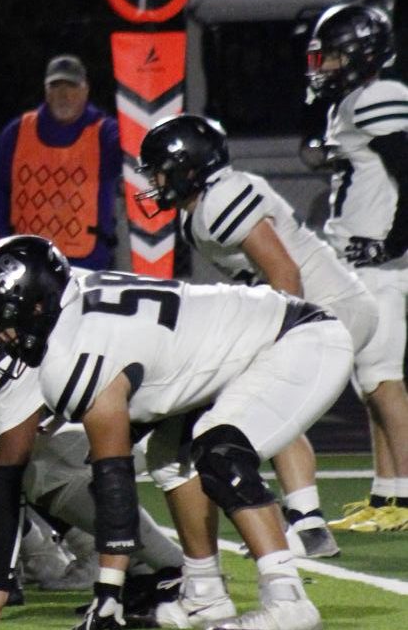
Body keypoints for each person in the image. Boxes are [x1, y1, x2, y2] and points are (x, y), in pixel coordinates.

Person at [0, 236, 354, 630]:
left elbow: (114, 477)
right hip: (258, 341)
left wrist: (108, 591)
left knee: (219, 451)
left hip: (298, 339)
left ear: (37, 304)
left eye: (4, 321)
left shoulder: (71, 353)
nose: (3, 335)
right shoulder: (77, 306)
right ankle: (204, 593)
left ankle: (287, 598)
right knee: (171, 459)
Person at [0, 222, 182, 621]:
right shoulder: (38, 291)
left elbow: (11, 467)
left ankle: (171, 570)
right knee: (35, 453)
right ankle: (158, 572)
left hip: (158, 399)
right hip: (170, 381)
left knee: (34, 465)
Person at [138, 112, 382, 559]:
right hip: (311, 307)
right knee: (266, 400)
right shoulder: (200, 210)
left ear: (189, 167)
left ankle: (307, 524)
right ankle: (307, 523)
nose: (155, 180)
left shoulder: (222, 197)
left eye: (160, 169)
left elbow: (283, 271)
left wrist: (278, 335)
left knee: (262, 398)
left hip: (325, 305)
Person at [303, 0, 408, 526]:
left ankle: (407, 495)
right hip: (359, 259)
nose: (323, 68)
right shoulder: (352, 102)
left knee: (383, 377)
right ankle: (386, 494)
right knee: (371, 380)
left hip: (381, 262)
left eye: (333, 58)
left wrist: (394, 242)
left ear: (362, 55)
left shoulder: (380, 97)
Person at [0, 54, 121, 269]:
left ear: (85, 90)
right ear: (47, 91)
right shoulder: (17, 133)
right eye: (56, 86)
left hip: (87, 265)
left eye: (71, 86)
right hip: (26, 261)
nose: (64, 94)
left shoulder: (105, 134)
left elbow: (134, 153)